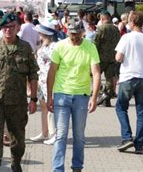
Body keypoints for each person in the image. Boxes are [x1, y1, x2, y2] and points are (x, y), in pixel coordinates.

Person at [0, 13, 39, 172]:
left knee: (18, 140)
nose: (8, 31)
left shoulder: (25, 47)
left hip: (17, 103)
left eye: (11, 27)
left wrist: (33, 99)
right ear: (1, 29)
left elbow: (33, 74)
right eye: (5, 28)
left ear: (17, 27)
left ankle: (16, 163)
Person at [47, 18, 101, 172]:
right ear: (67, 32)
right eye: (72, 34)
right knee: (61, 135)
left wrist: (94, 97)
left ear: (83, 33)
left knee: (79, 136)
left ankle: (77, 167)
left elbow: (96, 73)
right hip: (62, 95)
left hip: (81, 96)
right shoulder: (60, 46)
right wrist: (50, 96)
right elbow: (52, 72)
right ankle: (58, 169)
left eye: (78, 34)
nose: (75, 37)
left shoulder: (90, 47)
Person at [115, 11, 143, 154]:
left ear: (132, 22)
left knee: (121, 107)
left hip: (128, 76)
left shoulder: (126, 37)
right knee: (142, 112)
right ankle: (139, 144)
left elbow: (118, 57)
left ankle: (127, 137)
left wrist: (120, 58)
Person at [30, 21, 57, 145]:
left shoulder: (54, 46)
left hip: (48, 80)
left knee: (50, 106)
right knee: (44, 107)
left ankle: (54, 133)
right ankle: (45, 132)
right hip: (41, 79)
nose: (39, 34)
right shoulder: (44, 45)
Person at [94, 11, 121, 107]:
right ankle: (107, 97)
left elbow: (95, 43)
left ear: (102, 19)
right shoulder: (116, 29)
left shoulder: (101, 28)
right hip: (112, 58)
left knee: (94, 75)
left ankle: (101, 93)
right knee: (109, 78)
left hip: (100, 58)